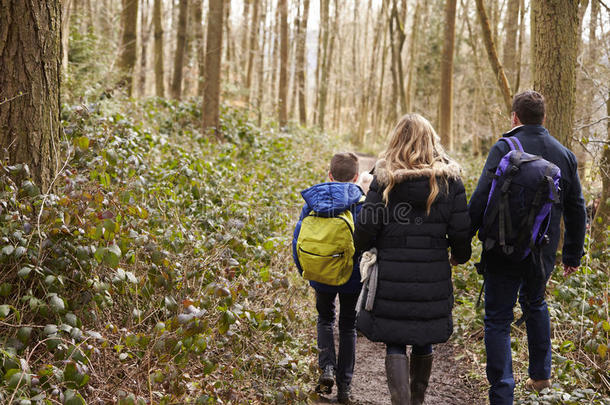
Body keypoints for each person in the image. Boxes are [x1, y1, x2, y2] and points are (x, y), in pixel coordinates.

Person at [468, 90, 587, 405]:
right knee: (535, 303)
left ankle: (502, 393)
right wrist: (572, 254)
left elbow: (481, 198)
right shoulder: (564, 155)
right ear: (544, 117)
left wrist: (461, 241)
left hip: (501, 247)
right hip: (542, 251)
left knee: (497, 319)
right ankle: (541, 376)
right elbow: (577, 209)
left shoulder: (504, 147)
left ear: (514, 117)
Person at [354, 114, 472, 405]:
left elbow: (366, 229)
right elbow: (461, 232)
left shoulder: (384, 180)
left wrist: (367, 247)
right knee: (424, 338)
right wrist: (459, 256)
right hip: (433, 274)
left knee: (395, 340)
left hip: (391, 275)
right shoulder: (449, 181)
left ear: (396, 140)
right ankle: (416, 401)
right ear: (431, 140)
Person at [292, 152, 364, 404]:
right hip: (351, 277)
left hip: (319, 271)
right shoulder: (360, 202)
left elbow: (298, 237)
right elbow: (366, 241)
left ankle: (327, 369)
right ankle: (345, 386)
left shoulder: (312, 201)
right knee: (347, 325)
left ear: (329, 175)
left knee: (324, 319)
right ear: (356, 177)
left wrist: (303, 269)